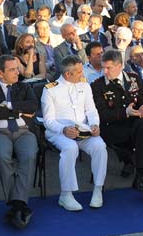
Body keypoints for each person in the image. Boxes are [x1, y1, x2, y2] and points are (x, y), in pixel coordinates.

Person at [92, 49, 143, 207]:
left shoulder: (133, 79)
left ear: (120, 66)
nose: (104, 71)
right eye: (103, 67)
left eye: (109, 68)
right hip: (112, 128)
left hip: (135, 125)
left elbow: (141, 100)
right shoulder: (98, 86)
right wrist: (125, 112)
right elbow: (102, 115)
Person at [0, 54, 39, 228]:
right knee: (1, 155)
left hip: (23, 131)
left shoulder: (24, 87)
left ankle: (16, 204)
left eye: (17, 68)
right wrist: (21, 111)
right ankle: (19, 204)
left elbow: (33, 106)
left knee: (28, 155)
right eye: (12, 69)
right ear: (0, 73)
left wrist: (9, 106)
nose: (17, 72)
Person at [42, 56, 107, 211]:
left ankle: (98, 190)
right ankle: (66, 194)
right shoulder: (50, 89)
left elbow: (91, 110)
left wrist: (94, 125)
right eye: (78, 71)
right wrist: (63, 129)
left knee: (100, 146)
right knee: (70, 148)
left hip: (82, 130)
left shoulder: (84, 86)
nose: (82, 73)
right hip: (58, 131)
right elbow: (48, 120)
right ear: (67, 74)